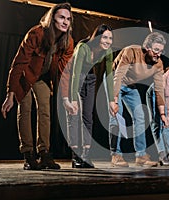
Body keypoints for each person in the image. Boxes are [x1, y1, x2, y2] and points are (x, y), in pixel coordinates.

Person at [1, 3, 74, 170]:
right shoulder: (36, 33)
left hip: (42, 77)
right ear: (52, 18)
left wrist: (65, 98)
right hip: (26, 75)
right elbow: (19, 63)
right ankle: (28, 154)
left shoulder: (67, 41)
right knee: (25, 109)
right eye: (61, 17)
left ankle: (44, 153)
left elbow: (64, 73)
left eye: (68, 19)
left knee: (45, 110)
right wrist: (10, 93)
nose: (65, 22)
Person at [109, 31, 167, 167]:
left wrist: (163, 114)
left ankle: (141, 155)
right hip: (114, 81)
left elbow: (159, 90)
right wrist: (115, 100)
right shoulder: (131, 52)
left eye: (161, 51)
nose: (158, 54)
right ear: (147, 48)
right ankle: (116, 154)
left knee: (140, 116)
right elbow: (118, 75)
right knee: (117, 116)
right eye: (156, 50)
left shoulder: (158, 64)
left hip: (130, 86)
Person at [61, 24, 114, 168]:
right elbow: (76, 73)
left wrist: (111, 100)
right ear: (97, 37)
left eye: (110, 38)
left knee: (88, 117)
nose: (108, 41)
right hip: (74, 76)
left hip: (90, 78)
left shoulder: (108, 51)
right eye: (105, 37)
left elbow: (109, 76)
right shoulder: (83, 48)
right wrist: (72, 99)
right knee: (74, 115)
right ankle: (75, 155)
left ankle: (86, 154)